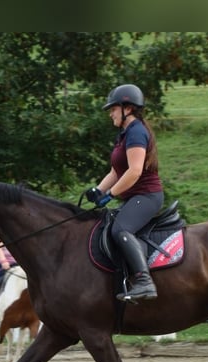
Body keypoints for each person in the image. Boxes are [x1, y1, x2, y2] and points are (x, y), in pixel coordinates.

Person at [85, 83, 164, 302]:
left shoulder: (137, 131)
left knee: (120, 230)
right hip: (134, 197)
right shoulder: (124, 134)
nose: (110, 113)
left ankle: (144, 281)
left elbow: (134, 172)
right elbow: (115, 171)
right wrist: (97, 190)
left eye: (113, 108)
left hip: (147, 196)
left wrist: (110, 194)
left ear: (127, 108)